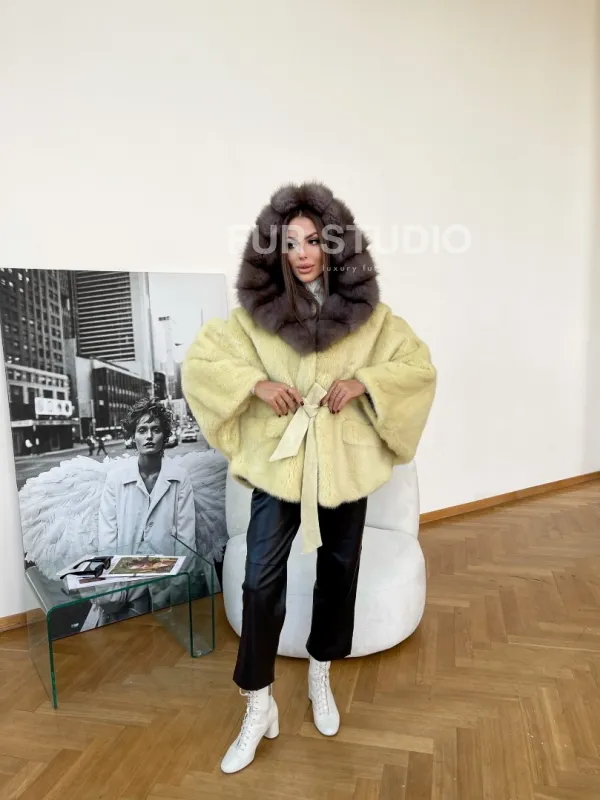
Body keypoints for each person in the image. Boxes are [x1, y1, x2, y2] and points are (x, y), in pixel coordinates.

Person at [182, 181, 437, 774]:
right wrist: (255, 383)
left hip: (344, 464)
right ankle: (258, 704)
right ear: (274, 248)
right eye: (290, 242)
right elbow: (202, 361)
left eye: (314, 241)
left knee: (339, 571)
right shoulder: (258, 316)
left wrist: (365, 382)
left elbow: (416, 365)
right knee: (259, 580)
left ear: (335, 244)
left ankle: (321, 673)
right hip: (282, 464)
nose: (302, 253)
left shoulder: (370, 317)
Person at [95, 398, 196, 621]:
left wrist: (177, 584)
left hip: (166, 578)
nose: (149, 436)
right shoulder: (116, 479)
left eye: (156, 430)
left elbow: (186, 539)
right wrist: (113, 585)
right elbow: (108, 536)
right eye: (142, 430)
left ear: (165, 435)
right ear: (133, 437)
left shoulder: (179, 477)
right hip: (127, 579)